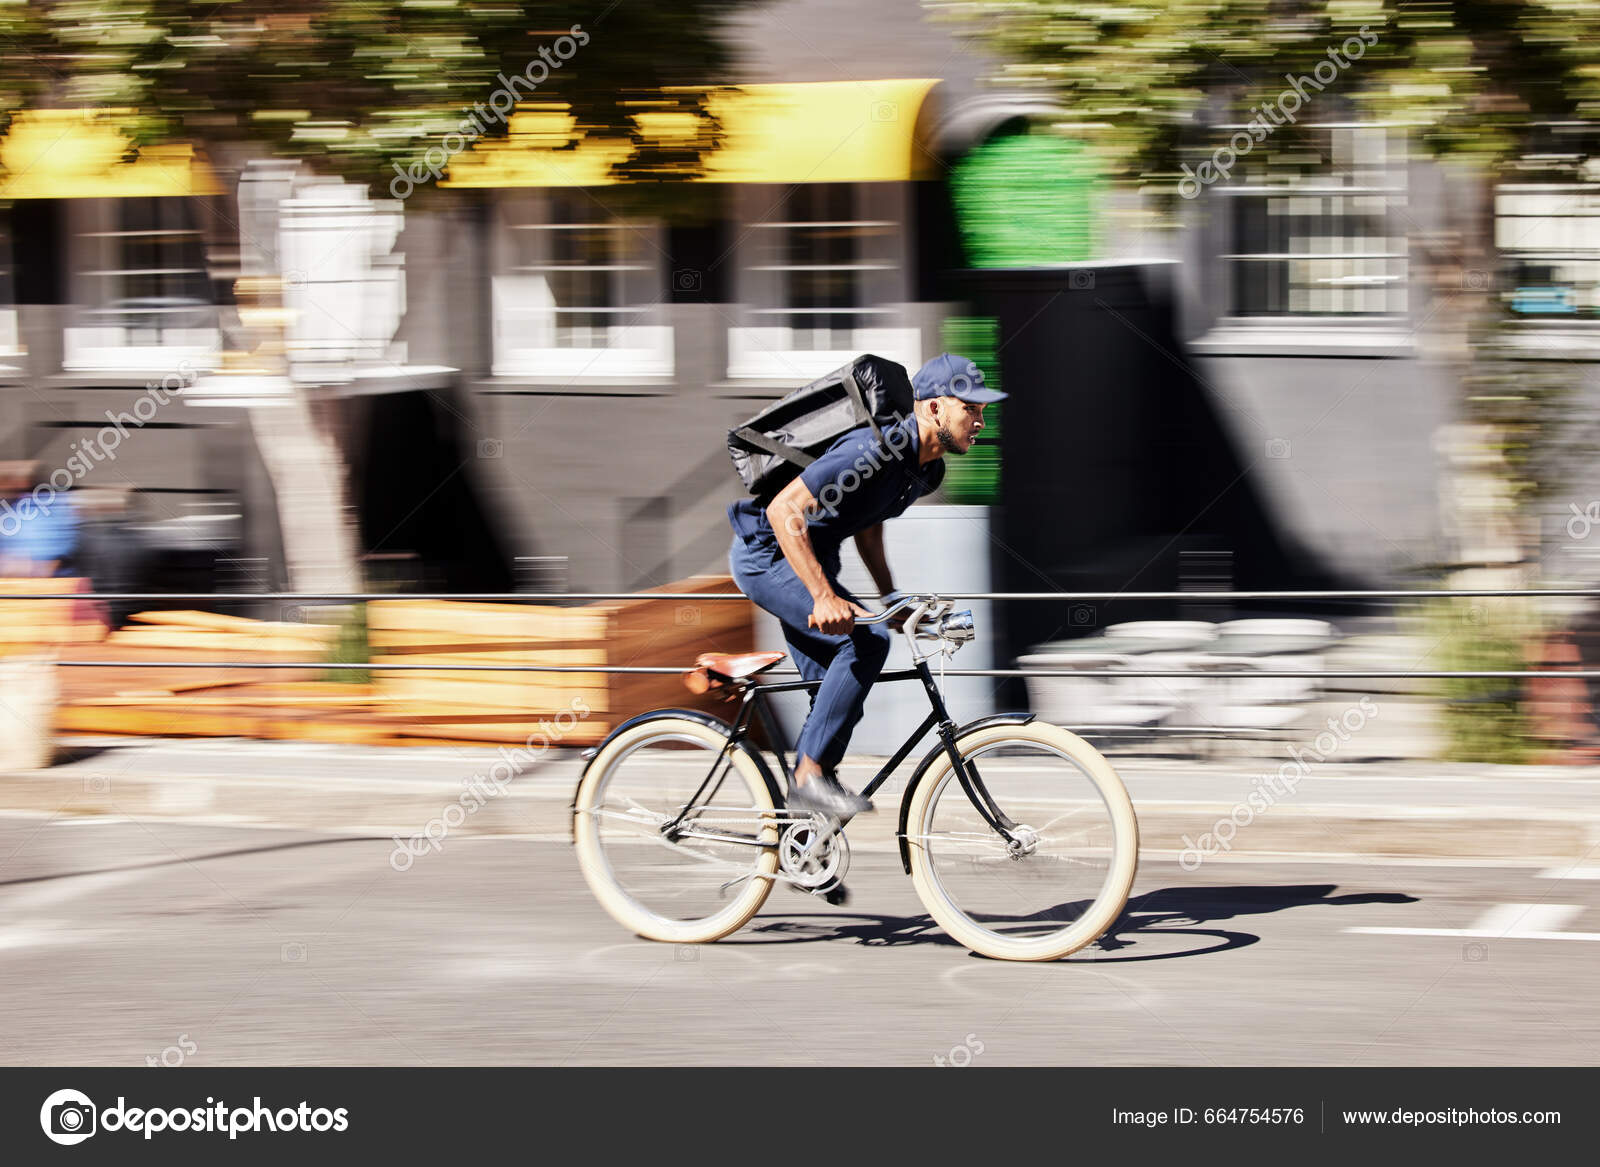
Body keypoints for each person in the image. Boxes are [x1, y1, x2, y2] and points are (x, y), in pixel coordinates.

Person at [726, 353, 1005, 819]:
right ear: (934, 408)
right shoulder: (870, 450)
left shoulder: (926, 471)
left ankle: (807, 841)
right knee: (866, 643)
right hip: (768, 555)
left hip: (813, 559)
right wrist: (822, 595)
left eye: (983, 411)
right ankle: (809, 780)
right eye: (970, 408)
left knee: (832, 693)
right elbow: (783, 511)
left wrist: (890, 596)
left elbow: (869, 524)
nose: (980, 420)